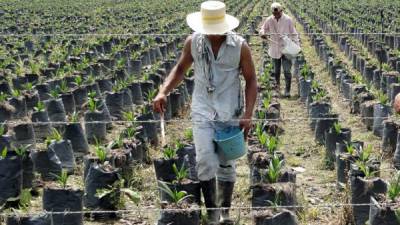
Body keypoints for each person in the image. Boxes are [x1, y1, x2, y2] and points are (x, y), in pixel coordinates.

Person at [153, 1, 257, 224]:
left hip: (230, 112)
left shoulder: (240, 47)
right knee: (205, 161)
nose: (211, 34)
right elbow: (180, 68)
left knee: (227, 164)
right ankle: (212, 216)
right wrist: (163, 91)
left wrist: (248, 115)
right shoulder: (193, 42)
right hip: (202, 111)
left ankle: (225, 213)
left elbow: (251, 79)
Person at [259, 2, 300, 97]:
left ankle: (287, 91)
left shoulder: (288, 19)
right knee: (276, 71)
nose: (276, 15)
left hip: (286, 48)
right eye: (274, 14)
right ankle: (277, 89)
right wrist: (262, 33)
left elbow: (294, 33)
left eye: (278, 13)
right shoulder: (269, 20)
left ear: (281, 11)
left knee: (287, 71)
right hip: (275, 48)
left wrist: (297, 46)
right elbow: (263, 29)